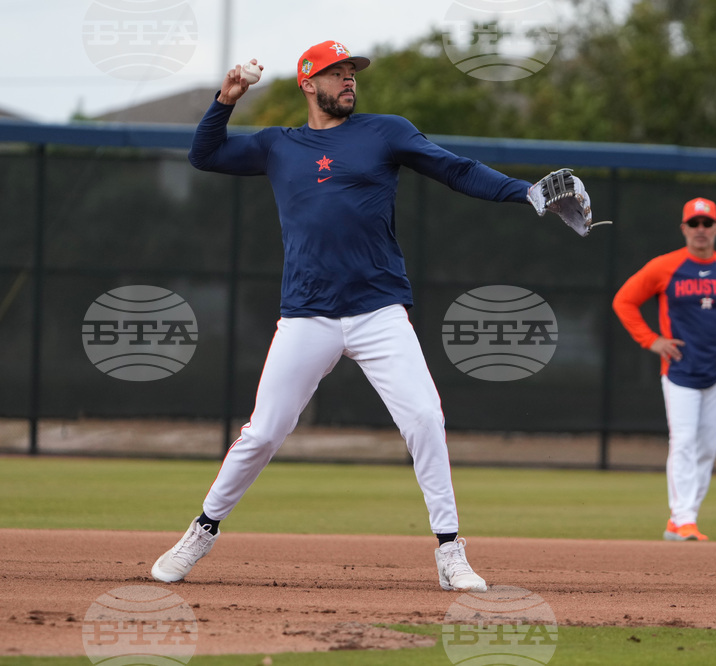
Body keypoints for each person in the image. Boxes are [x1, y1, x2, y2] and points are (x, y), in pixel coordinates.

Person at [150, 40, 589, 591]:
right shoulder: (278, 146)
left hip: (378, 311)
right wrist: (226, 100)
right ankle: (201, 532)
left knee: (425, 420)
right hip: (307, 315)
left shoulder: (384, 132)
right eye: (336, 73)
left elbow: (454, 169)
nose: (349, 80)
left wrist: (525, 193)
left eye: (352, 71)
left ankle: (451, 552)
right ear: (308, 83)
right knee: (262, 434)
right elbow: (204, 155)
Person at [612, 197, 716, 541]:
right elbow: (623, 301)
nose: (701, 230)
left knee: (707, 449)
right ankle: (682, 518)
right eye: (694, 224)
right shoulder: (664, 267)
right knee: (683, 442)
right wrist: (651, 340)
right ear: (684, 228)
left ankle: (684, 519)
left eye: (707, 223)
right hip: (679, 372)